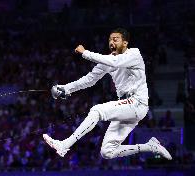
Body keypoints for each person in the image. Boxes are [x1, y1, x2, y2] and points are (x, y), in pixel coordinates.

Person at [43, 28, 172, 160]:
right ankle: (150, 146)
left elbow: (116, 62)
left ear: (125, 43)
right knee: (107, 152)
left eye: (115, 39)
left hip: (137, 103)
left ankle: (64, 145)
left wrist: (85, 53)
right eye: (110, 39)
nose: (111, 42)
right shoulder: (108, 60)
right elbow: (89, 79)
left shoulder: (134, 54)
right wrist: (66, 88)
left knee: (97, 110)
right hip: (126, 108)